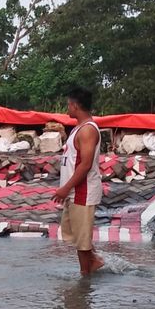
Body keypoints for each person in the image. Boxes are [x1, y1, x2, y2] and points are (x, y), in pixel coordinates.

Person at [52, 87, 105, 276]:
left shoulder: (88, 131)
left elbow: (85, 164)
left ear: (75, 106)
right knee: (75, 234)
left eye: (68, 104)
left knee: (82, 239)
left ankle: (86, 276)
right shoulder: (79, 129)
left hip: (82, 191)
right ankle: (92, 262)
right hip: (74, 191)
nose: (67, 108)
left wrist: (65, 188)